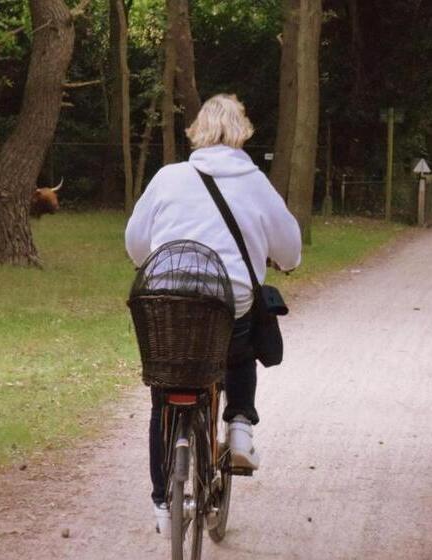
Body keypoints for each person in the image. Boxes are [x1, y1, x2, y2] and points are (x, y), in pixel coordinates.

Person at [124, 94, 302, 536]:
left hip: (168, 303)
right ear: (242, 131)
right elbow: (291, 249)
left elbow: (135, 242)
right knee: (241, 343)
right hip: (230, 303)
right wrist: (282, 262)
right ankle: (240, 425)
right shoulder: (255, 180)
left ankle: (164, 506)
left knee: (164, 389)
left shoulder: (169, 177)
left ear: (197, 132)